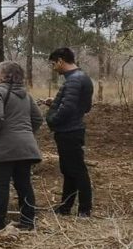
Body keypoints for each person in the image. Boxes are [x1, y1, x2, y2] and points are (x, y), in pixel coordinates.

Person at [0, 61, 43, 230]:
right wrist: (25, 134)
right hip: (26, 147)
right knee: (24, 184)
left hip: (4, 148)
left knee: (1, 185)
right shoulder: (26, 94)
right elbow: (38, 118)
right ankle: (27, 222)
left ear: (4, 75)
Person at [43, 47, 94, 217]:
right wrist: (55, 103)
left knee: (77, 170)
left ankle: (85, 210)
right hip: (72, 129)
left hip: (69, 132)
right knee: (69, 170)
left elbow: (68, 109)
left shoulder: (73, 80)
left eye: (53, 63)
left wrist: (52, 119)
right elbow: (83, 106)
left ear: (60, 61)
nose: (53, 67)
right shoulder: (82, 78)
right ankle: (65, 207)